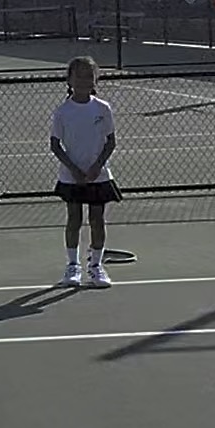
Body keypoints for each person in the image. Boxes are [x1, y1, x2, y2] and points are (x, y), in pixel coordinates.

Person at [51, 55, 119, 286]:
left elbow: (110, 142)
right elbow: (55, 144)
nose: (83, 80)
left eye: (89, 76)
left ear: (95, 79)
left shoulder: (103, 108)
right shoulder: (62, 112)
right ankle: (73, 267)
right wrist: (75, 171)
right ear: (69, 79)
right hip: (72, 178)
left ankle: (96, 266)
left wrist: (96, 168)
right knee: (74, 219)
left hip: (98, 176)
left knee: (98, 220)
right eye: (78, 76)